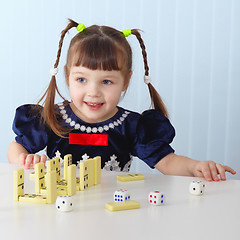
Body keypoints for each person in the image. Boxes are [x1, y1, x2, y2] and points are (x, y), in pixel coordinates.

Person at [8, 19, 236, 182]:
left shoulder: (133, 126)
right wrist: (24, 159)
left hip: (114, 209)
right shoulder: (52, 118)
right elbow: (16, 147)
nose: (93, 92)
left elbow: (167, 162)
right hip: (60, 207)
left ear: (126, 81)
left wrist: (196, 167)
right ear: (68, 76)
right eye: (81, 79)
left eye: (106, 82)